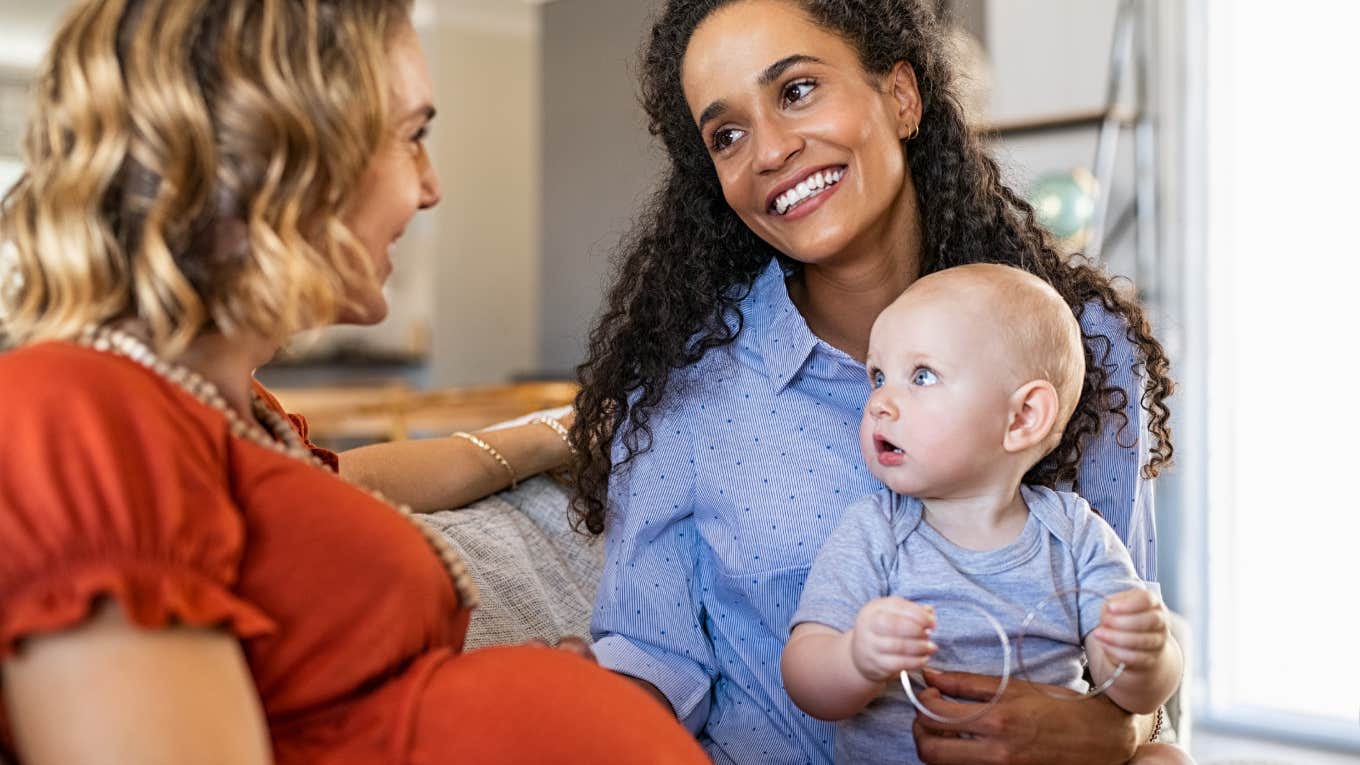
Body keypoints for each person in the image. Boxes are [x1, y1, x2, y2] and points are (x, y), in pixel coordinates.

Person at [0, 1, 704, 763]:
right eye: (413, 137)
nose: (431, 188)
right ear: (279, 151)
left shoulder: (221, 411)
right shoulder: (74, 413)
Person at [568, 0, 1175, 762]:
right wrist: (568, 696)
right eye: (728, 134)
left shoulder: (1082, 348)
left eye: (796, 91)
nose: (769, 150)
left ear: (901, 97)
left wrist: (1107, 730)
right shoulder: (684, 395)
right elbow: (654, 666)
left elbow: (1140, 672)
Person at [781, 264, 1191, 764]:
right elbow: (804, 678)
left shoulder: (1075, 534)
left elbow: (1136, 696)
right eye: (878, 377)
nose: (879, 404)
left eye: (922, 376)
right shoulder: (875, 531)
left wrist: (1144, 656)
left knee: (1167, 760)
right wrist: (854, 660)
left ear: (1023, 418)